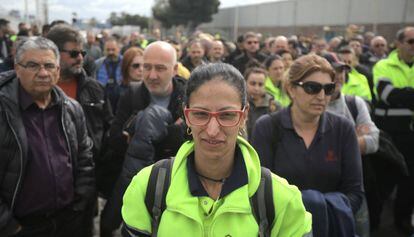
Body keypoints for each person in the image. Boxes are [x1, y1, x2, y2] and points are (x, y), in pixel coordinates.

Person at [121, 62, 312, 237]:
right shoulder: (148, 187)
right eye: (200, 114)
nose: (212, 130)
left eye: (227, 115)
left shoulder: (280, 198)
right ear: (186, 115)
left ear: (244, 116)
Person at [252, 54, 364, 237]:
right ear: (291, 89)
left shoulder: (343, 129)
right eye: (312, 88)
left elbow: (355, 194)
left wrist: (320, 210)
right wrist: (305, 209)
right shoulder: (267, 127)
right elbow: (260, 191)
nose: (321, 96)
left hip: (331, 230)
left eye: (328, 89)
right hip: (282, 230)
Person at [0, 37, 95, 236]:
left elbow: (85, 159)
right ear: (18, 69)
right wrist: (8, 226)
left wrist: (78, 205)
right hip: (21, 227)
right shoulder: (4, 111)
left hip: (66, 222)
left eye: (49, 66)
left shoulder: (71, 109)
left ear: (58, 71)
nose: (43, 73)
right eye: (33, 65)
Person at [99, 41, 187, 237]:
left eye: (160, 68)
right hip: (133, 183)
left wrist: (143, 133)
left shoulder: (188, 98)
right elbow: (114, 139)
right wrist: (169, 132)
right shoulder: (132, 93)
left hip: (174, 188)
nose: (152, 75)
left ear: (174, 70)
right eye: (146, 67)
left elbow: (189, 145)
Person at [373, 26, 414, 235]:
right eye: (411, 41)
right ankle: (374, 223)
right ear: (398, 43)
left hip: (411, 136)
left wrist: (404, 94)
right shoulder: (383, 65)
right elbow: (387, 94)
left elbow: (399, 96)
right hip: (389, 134)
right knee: (384, 180)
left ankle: (403, 220)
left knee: (410, 181)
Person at [245, 66, 278, 141]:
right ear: (245, 83)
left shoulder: (275, 106)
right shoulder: (239, 104)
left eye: (260, 84)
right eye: (253, 84)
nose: (256, 88)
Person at [95, 37, 123, 112]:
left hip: (121, 99)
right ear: (104, 51)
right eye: (108, 50)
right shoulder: (98, 64)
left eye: (113, 50)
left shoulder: (125, 63)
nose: (111, 52)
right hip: (103, 98)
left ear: (118, 49)